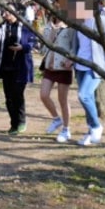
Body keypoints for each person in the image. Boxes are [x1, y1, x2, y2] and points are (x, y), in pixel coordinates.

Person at [61, 0, 105, 146]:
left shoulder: (101, 21)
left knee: (84, 95)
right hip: (80, 65)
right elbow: (76, 45)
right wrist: (71, 59)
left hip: (96, 65)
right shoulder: (77, 23)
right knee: (85, 98)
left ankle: (96, 126)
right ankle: (91, 130)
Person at [0, 3, 37, 135]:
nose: (5, 13)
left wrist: (22, 48)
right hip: (5, 66)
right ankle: (13, 124)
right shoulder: (2, 27)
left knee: (17, 95)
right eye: (4, 11)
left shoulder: (25, 26)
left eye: (8, 11)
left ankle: (21, 121)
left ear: (17, 12)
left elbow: (33, 43)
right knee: (8, 97)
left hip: (21, 67)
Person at [40, 14, 75, 143]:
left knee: (63, 100)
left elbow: (74, 47)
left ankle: (66, 129)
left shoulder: (70, 28)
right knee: (43, 95)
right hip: (50, 66)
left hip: (63, 67)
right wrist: (52, 33)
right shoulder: (48, 28)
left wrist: (70, 59)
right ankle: (56, 119)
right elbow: (43, 49)